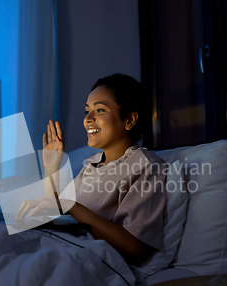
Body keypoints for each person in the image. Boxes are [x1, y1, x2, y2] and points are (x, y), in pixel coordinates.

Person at [16, 74, 167, 266]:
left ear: (129, 120)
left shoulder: (145, 166)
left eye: (100, 110)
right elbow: (54, 209)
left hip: (86, 260)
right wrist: (51, 168)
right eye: (87, 111)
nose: (88, 119)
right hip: (60, 246)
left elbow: (137, 249)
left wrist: (71, 205)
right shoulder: (93, 163)